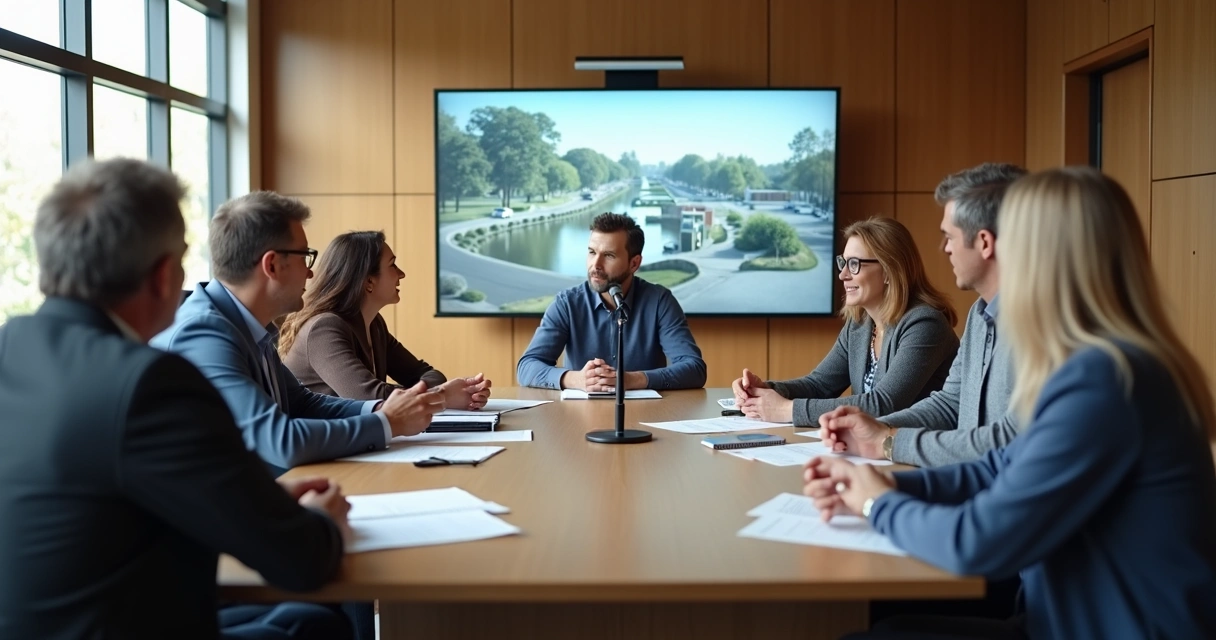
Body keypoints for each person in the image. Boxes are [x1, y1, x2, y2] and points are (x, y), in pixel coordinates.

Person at [806, 167, 1216, 639]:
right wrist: (883, 483)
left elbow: (979, 543)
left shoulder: (1104, 379)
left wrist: (878, 505)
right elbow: (1003, 465)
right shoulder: (1097, 360)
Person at [0, 158, 353, 640]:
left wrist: (257, 499)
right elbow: (303, 561)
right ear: (164, 274)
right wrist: (320, 521)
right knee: (314, 623)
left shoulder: (12, 348)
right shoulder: (149, 383)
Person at [152, 192, 467, 472]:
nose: (312, 271)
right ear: (272, 265)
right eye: (305, 255)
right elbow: (281, 441)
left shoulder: (244, 323)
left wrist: (381, 410)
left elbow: (302, 403)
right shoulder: (206, 333)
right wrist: (387, 423)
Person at [819, 163, 1028, 467]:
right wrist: (876, 429)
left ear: (983, 242)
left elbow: (1005, 443)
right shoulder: (979, 315)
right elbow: (949, 404)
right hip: (970, 483)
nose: (944, 249)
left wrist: (888, 442)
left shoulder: (1039, 327)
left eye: (949, 237)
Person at [731, 218, 959, 426]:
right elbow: (819, 385)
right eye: (844, 263)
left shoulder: (925, 325)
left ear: (890, 271)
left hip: (911, 455)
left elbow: (885, 404)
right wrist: (767, 391)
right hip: (870, 452)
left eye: (854, 264)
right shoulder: (860, 324)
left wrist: (786, 410)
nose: (843, 275)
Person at [279, 230, 491, 406]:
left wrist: (442, 392)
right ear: (368, 281)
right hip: (322, 452)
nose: (401, 274)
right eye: (392, 265)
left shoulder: (374, 325)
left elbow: (425, 373)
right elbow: (369, 398)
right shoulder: (324, 328)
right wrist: (442, 395)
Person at [516, 212, 707, 391]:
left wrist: (632, 380)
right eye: (592, 252)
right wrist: (578, 380)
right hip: (579, 418)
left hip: (646, 416)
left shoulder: (659, 302)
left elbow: (694, 369)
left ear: (634, 263)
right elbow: (527, 367)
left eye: (608, 255)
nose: (595, 265)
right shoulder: (567, 303)